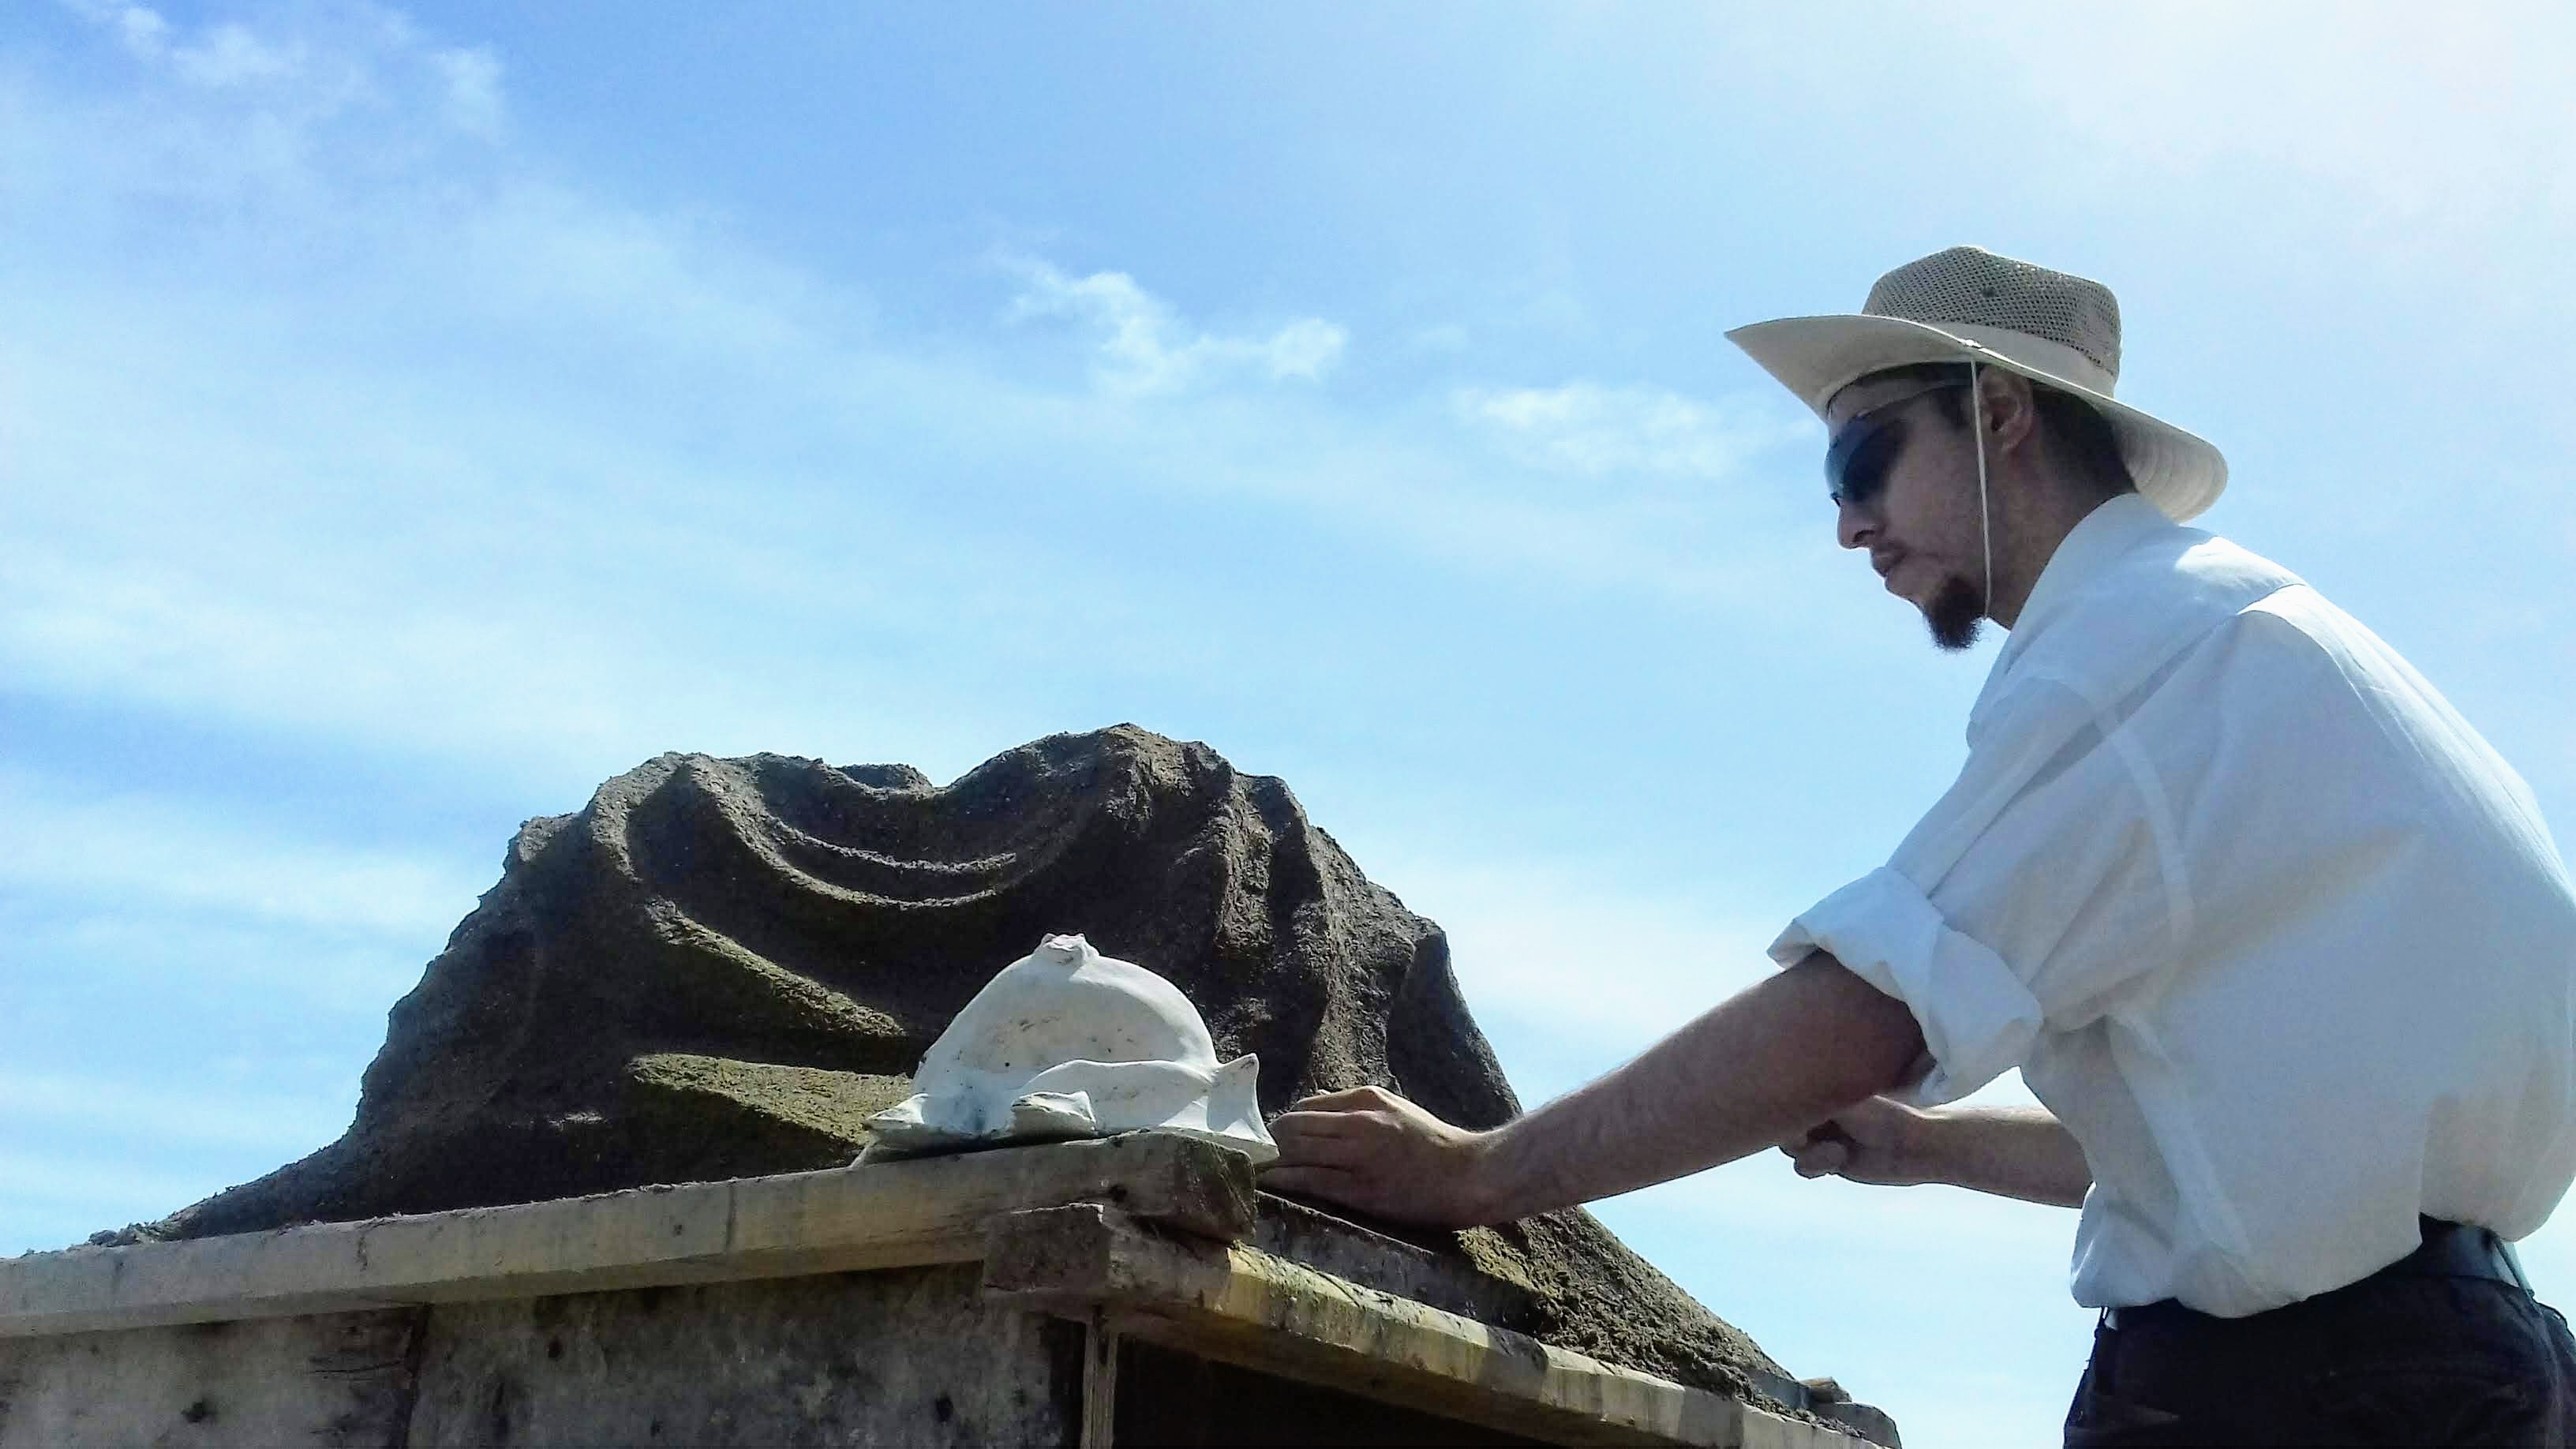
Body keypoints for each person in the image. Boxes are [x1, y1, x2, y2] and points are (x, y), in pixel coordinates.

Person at [1264, 245, 2576, 1446]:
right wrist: (1928, 1147)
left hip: (2288, 1400)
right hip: (2478, 1367)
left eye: (1862, 461)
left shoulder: (2132, 654)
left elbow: (1864, 1015)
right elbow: (2252, 1164)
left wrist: (1475, 1173)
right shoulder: (2279, 642)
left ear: (1998, 414)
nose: (1847, 523)